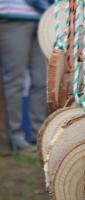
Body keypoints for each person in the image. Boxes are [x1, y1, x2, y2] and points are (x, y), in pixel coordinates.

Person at [0, 0, 48, 151]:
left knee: (42, 81)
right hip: (13, 16)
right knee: (15, 81)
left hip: (45, 19)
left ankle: (38, 136)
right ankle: (15, 137)